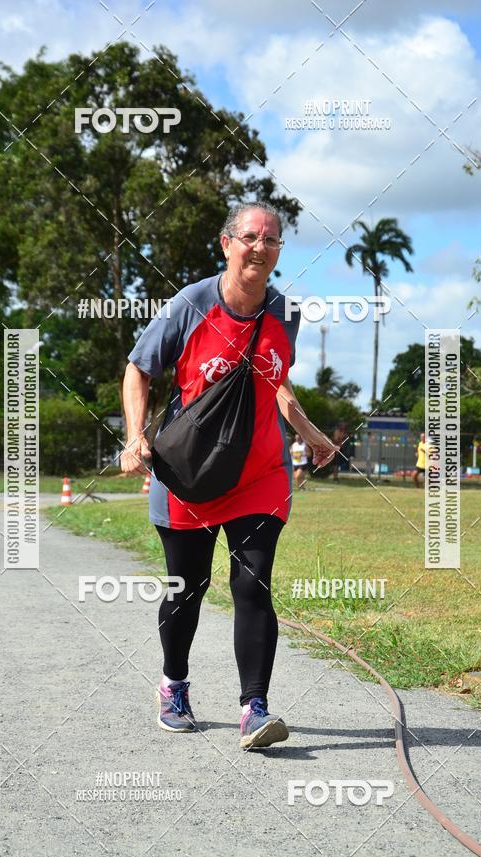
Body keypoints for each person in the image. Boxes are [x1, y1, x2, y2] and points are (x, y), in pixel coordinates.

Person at [121, 201, 337, 750]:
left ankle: (254, 708)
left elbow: (274, 381)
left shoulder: (285, 313)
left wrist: (308, 431)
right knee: (187, 589)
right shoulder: (189, 305)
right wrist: (135, 436)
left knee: (252, 584)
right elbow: (138, 368)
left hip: (260, 474)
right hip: (190, 474)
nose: (260, 248)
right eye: (250, 237)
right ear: (227, 244)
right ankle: (173, 683)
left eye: (272, 240)